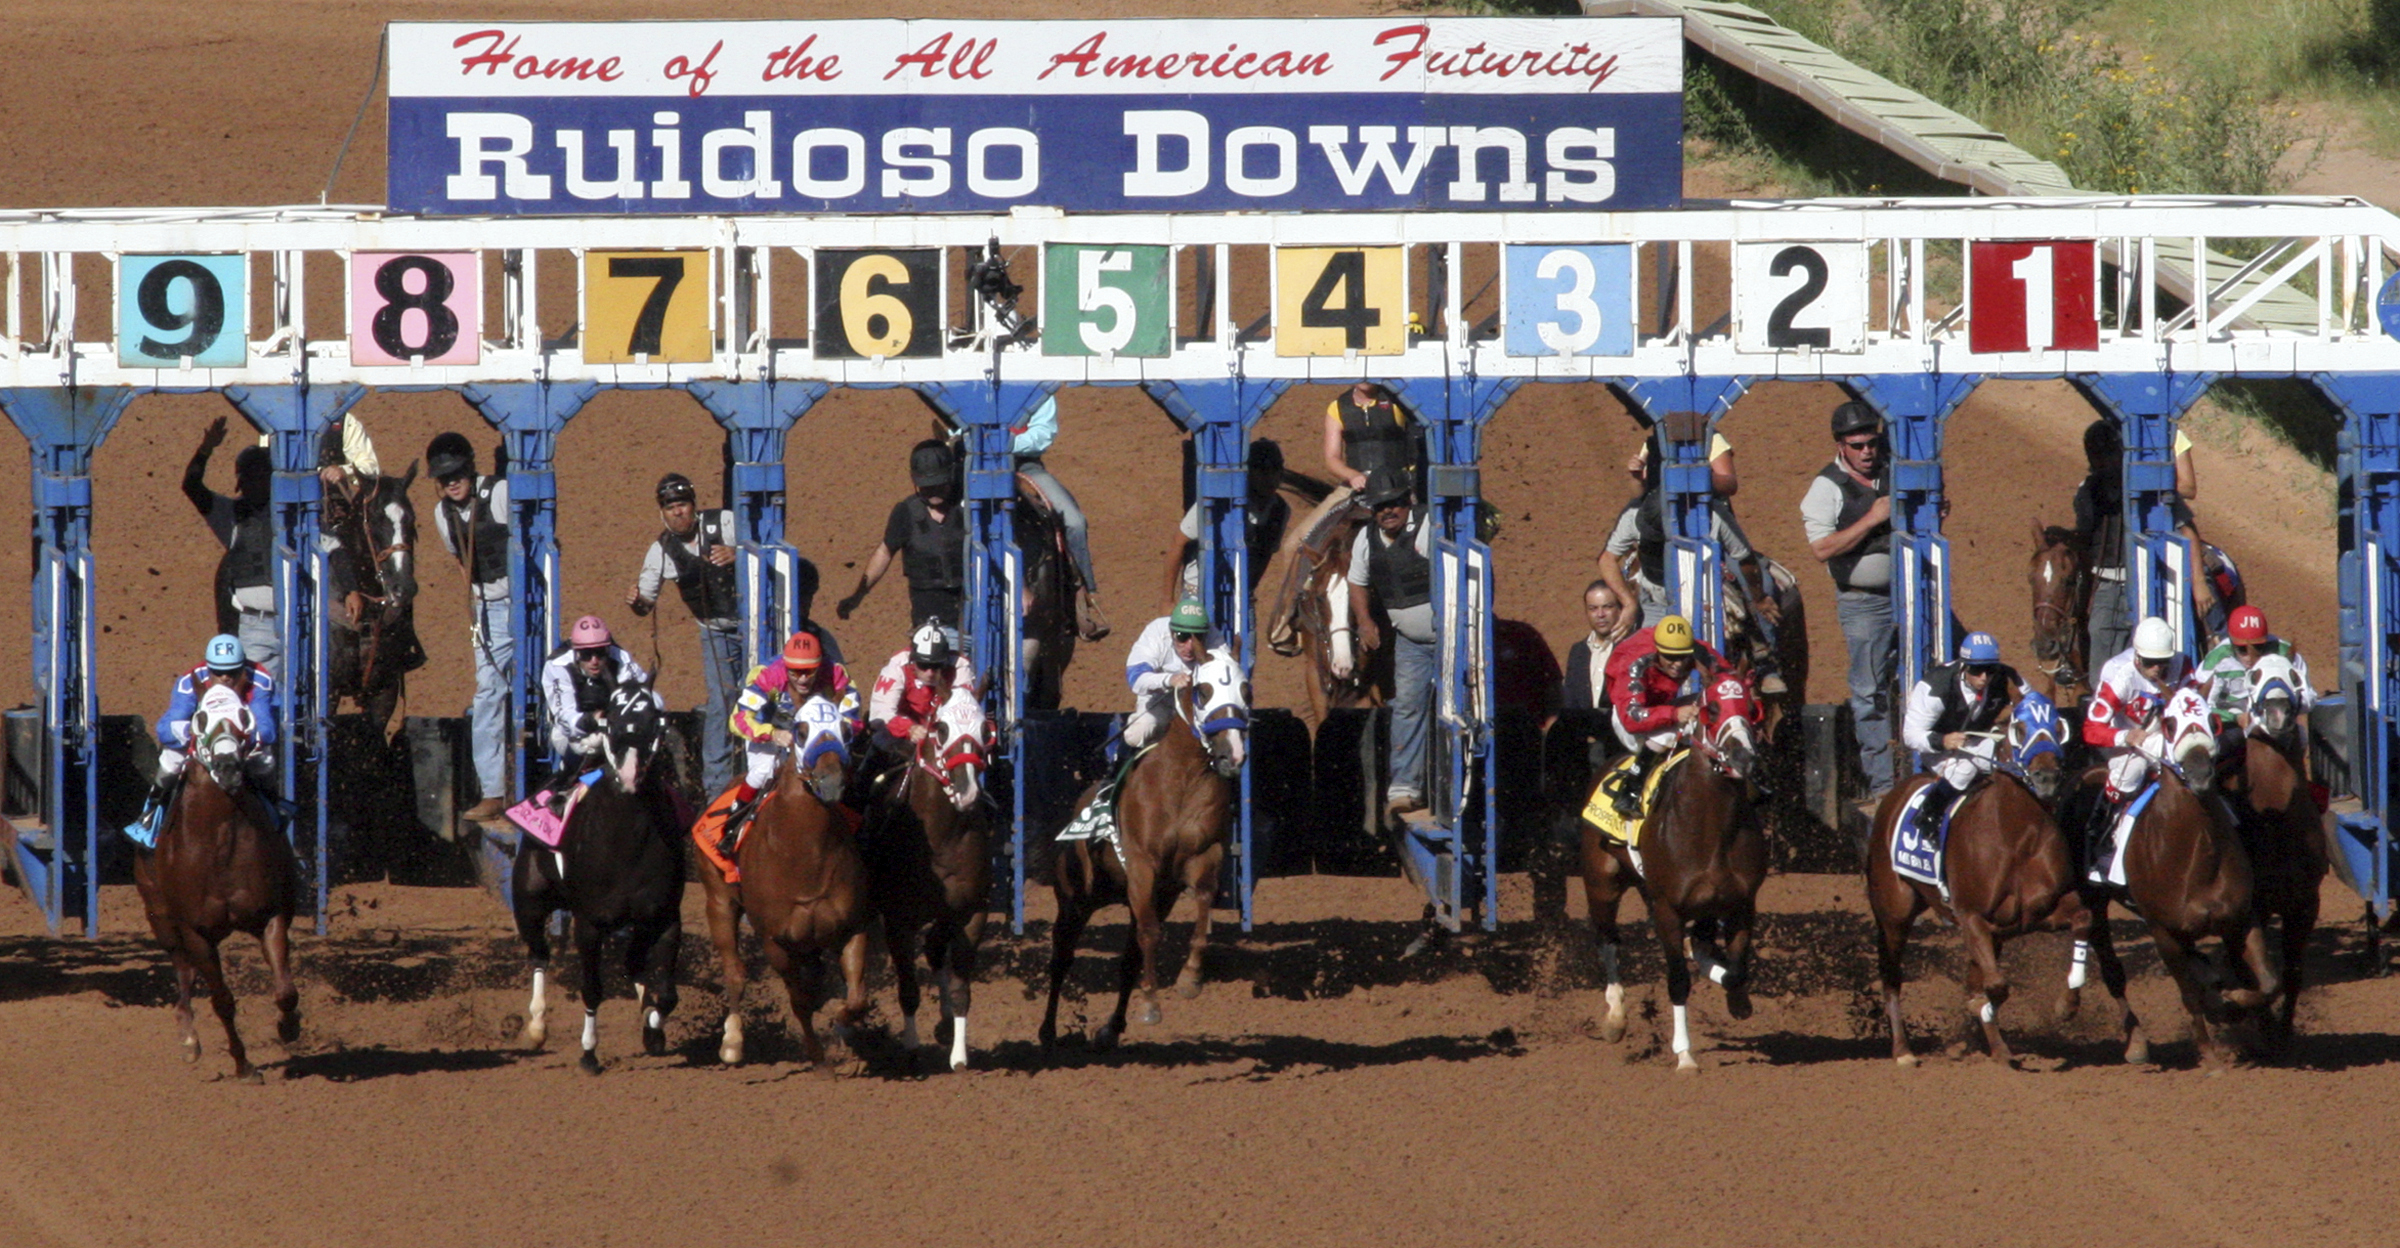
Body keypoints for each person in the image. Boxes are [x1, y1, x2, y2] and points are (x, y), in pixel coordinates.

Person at [626, 472, 743, 798]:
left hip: (753, 626)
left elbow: (765, 550)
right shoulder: (661, 551)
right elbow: (644, 605)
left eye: (683, 504)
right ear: (661, 513)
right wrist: (636, 601)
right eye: (671, 507)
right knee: (721, 705)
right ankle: (716, 789)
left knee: (760, 698)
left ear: (694, 505)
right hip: (715, 633)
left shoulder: (725, 523)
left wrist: (738, 555)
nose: (678, 512)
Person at [1802, 400, 1898, 795]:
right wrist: (1873, 518)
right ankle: (1882, 786)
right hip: (1863, 604)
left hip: (1911, 594)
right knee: (1868, 691)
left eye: (1872, 443)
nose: (1866, 452)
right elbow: (1822, 548)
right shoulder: (1826, 488)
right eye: (1857, 445)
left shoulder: (1895, 472)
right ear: (1841, 446)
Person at [700, 629, 862, 857]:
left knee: (839, 769)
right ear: (785, 666)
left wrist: (835, 734)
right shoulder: (767, 675)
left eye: (809, 672)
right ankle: (733, 827)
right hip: (772, 730)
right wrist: (771, 733)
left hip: (816, 736)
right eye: (795, 672)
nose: (803, 678)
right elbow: (738, 719)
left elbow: (853, 717)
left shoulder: (836, 673)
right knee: (762, 772)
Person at [2073, 419, 2215, 665]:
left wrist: (2199, 583)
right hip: (2105, 584)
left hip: (2151, 581)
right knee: (2095, 631)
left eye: (2109, 455)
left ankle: (2214, 650)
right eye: (2097, 457)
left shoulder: (2152, 486)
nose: (2104, 464)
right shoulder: (2087, 491)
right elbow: (2083, 539)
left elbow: (2188, 530)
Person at [427, 431, 514, 822]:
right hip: (487, 611)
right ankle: (494, 791)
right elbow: (460, 561)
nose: (451, 482)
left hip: (522, 605)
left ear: (470, 468)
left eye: (456, 473)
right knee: (488, 695)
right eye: (443, 477)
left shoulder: (499, 493)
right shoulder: (441, 515)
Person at [1347, 470, 1437, 817]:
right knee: (1407, 707)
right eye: (1380, 506)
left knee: (1455, 710)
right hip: (1410, 643)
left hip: (1448, 638)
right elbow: (1357, 582)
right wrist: (1365, 621)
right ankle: (1404, 786)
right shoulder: (1365, 539)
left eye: (1393, 504)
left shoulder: (1430, 525)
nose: (1387, 512)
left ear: (1407, 501)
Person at [2080, 616, 2195, 874]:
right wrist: (2125, 737)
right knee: (2131, 772)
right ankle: (2106, 833)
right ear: (2137, 656)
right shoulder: (2118, 673)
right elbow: (2091, 729)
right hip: (2128, 741)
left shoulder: (2182, 665)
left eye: (2162, 662)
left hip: (2167, 738)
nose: (2157, 668)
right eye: (2150, 662)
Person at [137, 634, 281, 834]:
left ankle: (273, 808)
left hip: (241, 740)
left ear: (243, 668)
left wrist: (238, 734)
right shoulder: (190, 680)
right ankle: (151, 813)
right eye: (218, 671)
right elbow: (165, 728)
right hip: (202, 741)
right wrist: (197, 733)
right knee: (172, 758)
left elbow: (266, 729)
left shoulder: (260, 678)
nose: (225, 678)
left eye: (232, 671)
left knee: (264, 759)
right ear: (207, 668)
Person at [1600, 614, 1724, 818]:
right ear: (1656, 650)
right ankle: (1631, 787)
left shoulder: (1698, 650)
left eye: (1683, 657)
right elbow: (1633, 718)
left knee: (1715, 703)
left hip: (1662, 709)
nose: (1677, 664)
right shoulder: (1634, 661)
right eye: (1670, 657)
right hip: (1630, 720)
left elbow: (1729, 679)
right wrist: (1674, 714)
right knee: (1674, 727)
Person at [1899, 631, 2026, 826]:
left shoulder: (2006, 676)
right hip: (1940, 749)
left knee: (2015, 761)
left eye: (1990, 669)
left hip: (1979, 742)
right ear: (1964, 666)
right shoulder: (1936, 686)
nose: (1984, 677)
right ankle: (1929, 817)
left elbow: (2034, 703)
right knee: (1964, 770)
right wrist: (1942, 741)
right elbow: (1910, 735)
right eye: (1976, 670)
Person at [183, 416, 279, 671]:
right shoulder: (230, 515)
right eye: (250, 477)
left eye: (262, 477)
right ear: (240, 481)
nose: (255, 483)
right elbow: (191, 486)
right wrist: (205, 450)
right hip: (254, 626)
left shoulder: (290, 515)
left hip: (296, 623)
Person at [1011, 394, 1110, 640]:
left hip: (1024, 464)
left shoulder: (1038, 389)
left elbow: (1043, 434)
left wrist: (1003, 443)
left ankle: (1081, 597)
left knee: (1074, 522)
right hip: (976, 464)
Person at [840, 439, 965, 632]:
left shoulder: (969, 508)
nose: (933, 492)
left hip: (970, 600)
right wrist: (858, 595)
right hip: (927, 606)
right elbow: (885, 552)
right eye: (927, 487)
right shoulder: (906, 512)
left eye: (939, 485)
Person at [536, 615, 652, 791]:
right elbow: (566, 717)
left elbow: (645, 695)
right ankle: (565, 784)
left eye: (600, 652)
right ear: (576, 652)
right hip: (573, 733)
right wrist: (594, 719)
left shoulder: (620, 657)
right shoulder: (557, 666)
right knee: (589, 745)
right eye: (586, 654)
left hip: (615, 726)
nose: (594, 661)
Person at [1170, 438, 1293, 601]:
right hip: (1198, 591)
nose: (1269, 477)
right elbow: (1178, 543)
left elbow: (1265, 555)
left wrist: (1249, 589)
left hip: (1239, 595)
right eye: (1262, 470)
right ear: (1247, 472)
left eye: (1275, 469)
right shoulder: (1217, 501)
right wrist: (1167, 600)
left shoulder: (1279, 510)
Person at [866, 620, 981, 776]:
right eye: (923, 665)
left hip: (944, 735)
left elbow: (964, 709)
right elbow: (881, 712)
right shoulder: (898, 665)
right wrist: (909, 728)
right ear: (913, 660)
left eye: (936, 666)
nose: (930, 672)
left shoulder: (959, 666)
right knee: (878, 745)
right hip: (902, 735)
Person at [1123, 598, 1226, 749]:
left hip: (1197, 704)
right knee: (1136, 734)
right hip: (1159, 699)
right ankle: (1123, 764)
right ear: (1171, 632)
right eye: (1182, 636)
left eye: (1197, 637)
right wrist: (1169, 680)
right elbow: (1136, 677)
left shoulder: (1214, 637)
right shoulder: (1156, 632)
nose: (1190, 646)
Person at [2195, 604, 2312, 735]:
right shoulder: (2215, 661)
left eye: (2258, 648)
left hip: (2272, 718)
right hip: (2229, 723)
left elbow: (2310, 697)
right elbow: (2198, 705)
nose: (2250, 656)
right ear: (2231, 643)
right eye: (2242, 649)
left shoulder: (2285, 654)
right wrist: (2235, 717)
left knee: (2300, 736)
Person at [1563, 579, 1628, 714]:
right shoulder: (1578, 651)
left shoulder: (1630, 648)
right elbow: (1570, 700)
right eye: (1593, 608)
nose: (1600, 614)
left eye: (1607, 607)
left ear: (1620, 609)